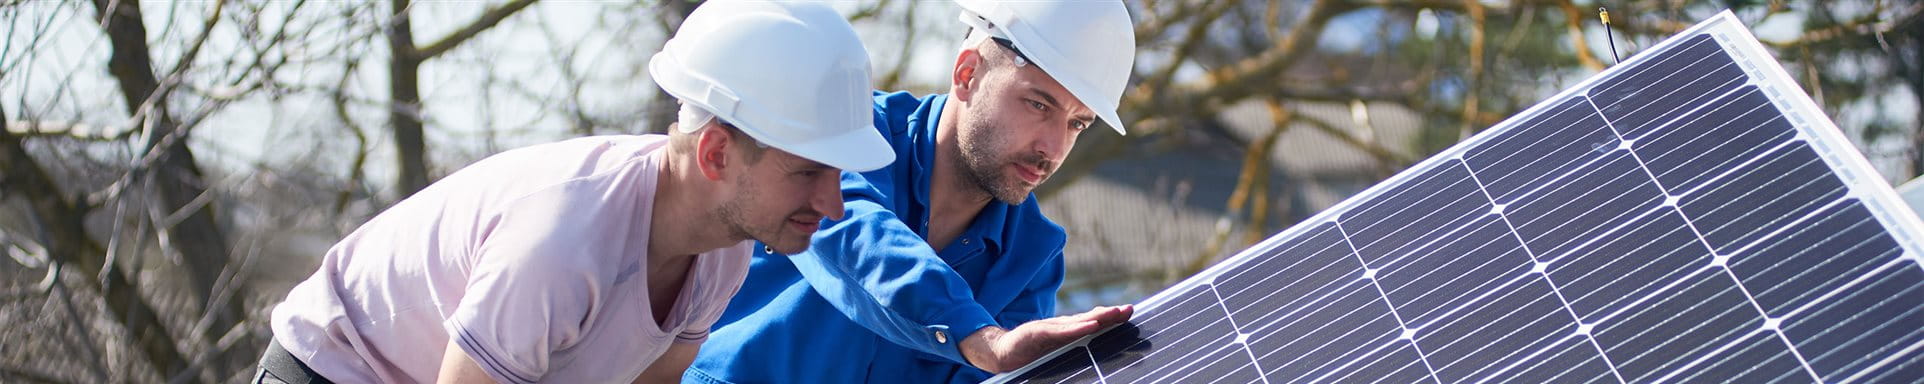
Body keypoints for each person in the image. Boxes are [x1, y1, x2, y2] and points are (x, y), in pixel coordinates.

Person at [254, 2, 892, 382]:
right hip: (330, 370)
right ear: (716, 152)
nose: (832, 204)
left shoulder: (722, 249)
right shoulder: (562, 240)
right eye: (808, 172)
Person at [686, 1, 1140, 383]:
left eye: (1077, 123)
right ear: (967, 74)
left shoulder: (1034, 257)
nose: (1054, 148)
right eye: (1039, 105)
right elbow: (852, 230)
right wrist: (982, 340)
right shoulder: (847, 131)